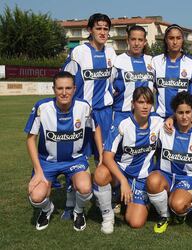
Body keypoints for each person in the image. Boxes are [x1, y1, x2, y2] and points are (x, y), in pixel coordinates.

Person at [25, 71, 102, 231]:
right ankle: (47, 209)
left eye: (68, 88)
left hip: (75, 160)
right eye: (60, 88)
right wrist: (38, 171)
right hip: (48, 162)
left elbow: (96, 128)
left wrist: (101, 155)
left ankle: (78, 211)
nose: (64, 92)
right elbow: (31, 139)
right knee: (36, 196)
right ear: (54, 89)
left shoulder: (84, 107)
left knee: (85, 188)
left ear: (74, 89)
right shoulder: (42, 107)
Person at [61, 13, 117, 219]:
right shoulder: (79, 52)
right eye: (98, 28)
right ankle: (71, 204)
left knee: (104, 159)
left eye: (105, 28)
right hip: (83, 116)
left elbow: (114, 83)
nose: (102, 32)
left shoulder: (111, 53)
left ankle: (104, 202)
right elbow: (66, 81)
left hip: (105, 113)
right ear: (90, 30)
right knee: (77, 158)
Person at [93, 87, 163, 234]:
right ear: (133, 104)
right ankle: (108, 216)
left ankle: (132, 200)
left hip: (143, 177)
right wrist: (123, 181)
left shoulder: (158, 121)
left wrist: (173, 118)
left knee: (135, 222)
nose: (145, 106)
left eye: (149, 102)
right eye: (141, 102)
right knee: (100, 174)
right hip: (122, 173)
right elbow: (107, 156)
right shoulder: (122, 123)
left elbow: (177, 120)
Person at [146, 92, 192, 234]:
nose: (184, 116)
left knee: (178, 205)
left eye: (188, 112)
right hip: (165, 175)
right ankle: (164, 215)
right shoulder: (164, 129)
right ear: (174, 113)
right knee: (152, 180)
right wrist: (170, 118)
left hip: (187, 178)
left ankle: (187, 207)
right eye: (180, 113)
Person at [151, 24, 192, 118]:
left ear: (183, 40)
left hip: (183, 118)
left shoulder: (191, 62)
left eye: (178, 38)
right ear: (166, 40)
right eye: (171, 38)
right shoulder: (155, 61)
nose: (175, 42)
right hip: (161, 117)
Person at [112, 25, 154, 125]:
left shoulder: (152, 61)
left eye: (140, 40)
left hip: (146, 115)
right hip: (122, 114)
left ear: (145, 42)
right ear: (128, 41)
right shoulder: (117, 61)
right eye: (133, 39)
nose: (136, 43)